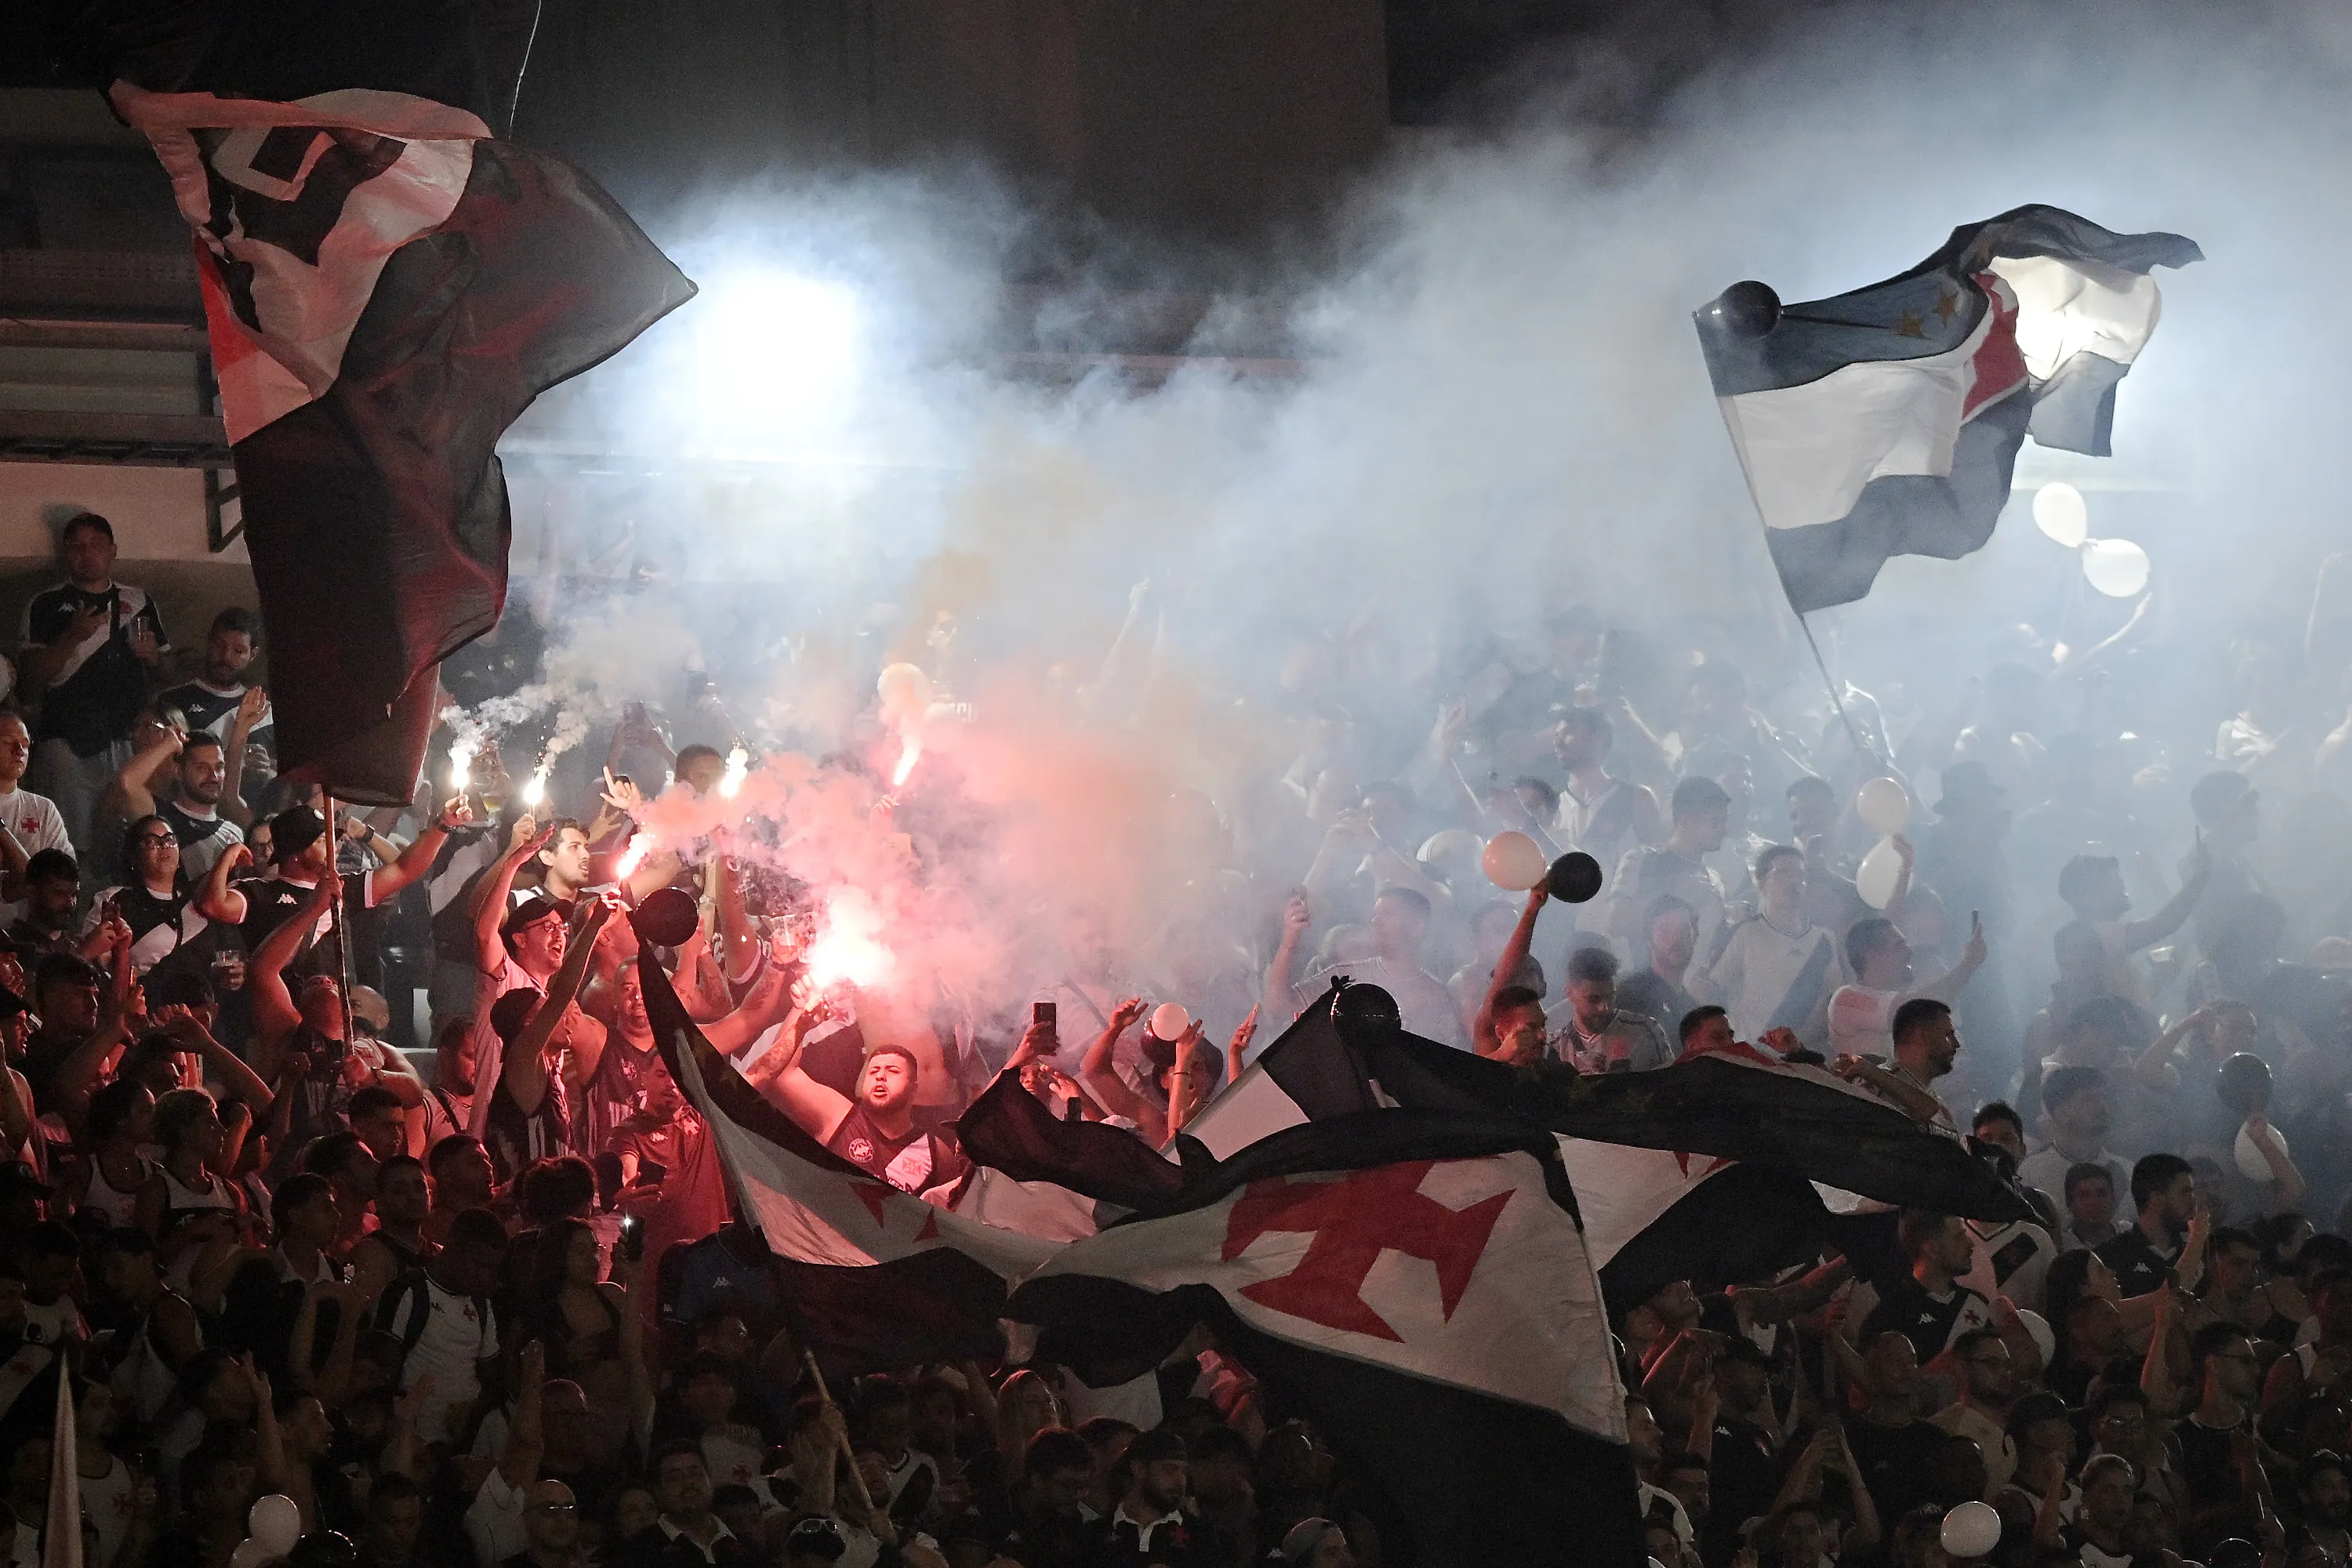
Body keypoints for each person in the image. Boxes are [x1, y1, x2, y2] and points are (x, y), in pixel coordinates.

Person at [18, 511, 167, 857]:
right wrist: (72, 637)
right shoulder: (45, 604)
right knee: (69, 846)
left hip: (127, 741)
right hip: (66, 744)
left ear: (113, 550)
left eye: (96, 546)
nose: (87, 555)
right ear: (66, 553)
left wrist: (154, 658)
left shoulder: (139, 601)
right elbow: (29, 682)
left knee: (132, 844)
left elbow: (167, 676)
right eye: (77, 548)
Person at [1704, 843, 1844, 1049]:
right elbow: (1714, 989)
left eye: (1800, 875)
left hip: (1805, 1057)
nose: (1793, 881)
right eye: (1782, 873)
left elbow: (1835, 1000)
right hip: (1754, 1056)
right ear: (1760, 882)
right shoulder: (1746, 934)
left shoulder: (1824, 940)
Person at [1828, 909, 1987, 1061]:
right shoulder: (1846, 1000)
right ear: (1873, 957)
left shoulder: (1904, 995)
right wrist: (1969, 963)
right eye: (1899, 945)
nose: (1909, 951)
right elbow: (1912, 1011)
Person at [1607, 776, 1731, 965]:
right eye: (1715, 823)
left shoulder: (1714, 879)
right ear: (1686, 821)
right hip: (1645, 983)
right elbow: (1616, 923)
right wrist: (1676, 892)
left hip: (1689, 990)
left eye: (1724, 822)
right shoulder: (1644, 860)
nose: (1724, 830)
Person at [1861, 1210, 1999, 1362]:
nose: (1970, 1243)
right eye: (1959, 1237)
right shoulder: (1890, 1316)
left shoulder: (1977, 1303)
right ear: (1933, 1249)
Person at [114, 729, 247, 880]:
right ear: (178, 771)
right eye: (202, 768)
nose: (213, 776)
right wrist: (169, 744)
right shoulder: (160, 817)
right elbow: (127, 782)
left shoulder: (234, 832)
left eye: (219, 767)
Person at [1549, 944, 1674, 1073]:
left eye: (1610, 997)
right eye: (1593, 999)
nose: (1605, 1008)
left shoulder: (1646, 1032)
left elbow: (1671, 1086)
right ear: (1569, 993)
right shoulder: (1555, 1047)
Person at [2100, 1153, 2209, 1298]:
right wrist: (2196, 1241)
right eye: (2185, 1192)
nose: (2194, 1201)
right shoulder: (2111, 1257)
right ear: (2156, 1199)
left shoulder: (2202, 1253)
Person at [0, 714, 72, 924]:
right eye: (7, 743)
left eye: (25, 744)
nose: (19, 752)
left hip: (32, 930)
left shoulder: (42, 809)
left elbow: (61, 875)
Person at [1616, 894, 1700, 1039]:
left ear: (1695, 937)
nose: (1676, 938)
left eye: (1684, 930)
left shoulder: (1693, 1008)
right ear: (1649, 940)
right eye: (1665, 930)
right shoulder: (1628, 996)